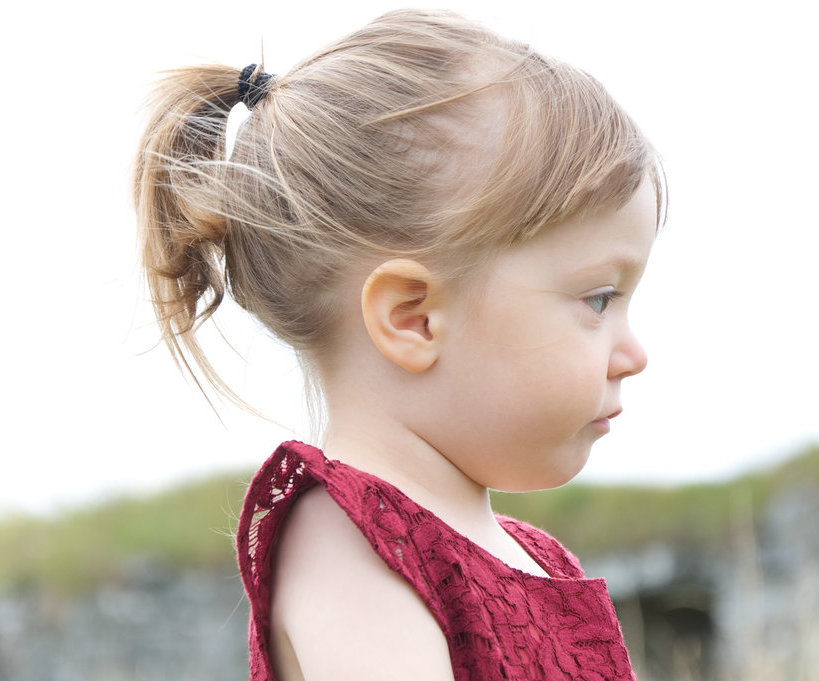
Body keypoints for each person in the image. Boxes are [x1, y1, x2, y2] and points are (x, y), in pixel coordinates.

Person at [133, 9, 663, 681]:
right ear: (413, 318)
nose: (635, 353)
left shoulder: (538, 558)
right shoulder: (350, 543)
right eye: (597, 299)